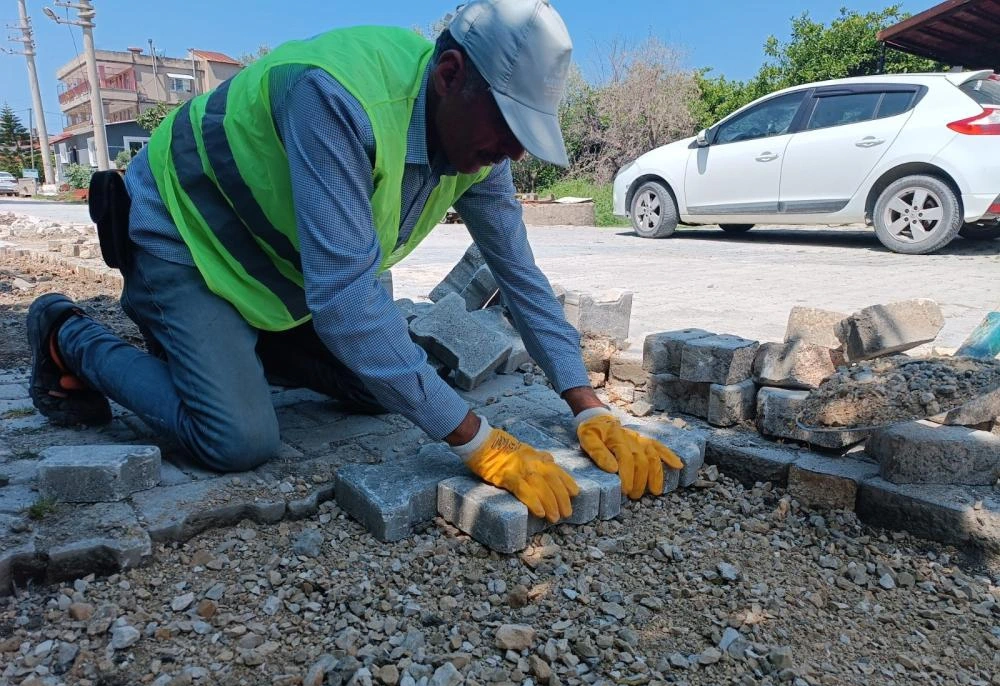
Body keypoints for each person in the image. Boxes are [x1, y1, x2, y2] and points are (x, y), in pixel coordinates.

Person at [27, 0, 682, 524]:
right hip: (185, 234)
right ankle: (66, 335)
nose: (513, 152)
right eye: (507, 125)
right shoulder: (337, 98)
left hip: (279, 269)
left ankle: (238, 348)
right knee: (237, 439)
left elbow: (519, 276)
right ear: (450, 74)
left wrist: (587, 406)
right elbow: (344, 301)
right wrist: (481, 442)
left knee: (389, 385)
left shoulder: (479, 150)